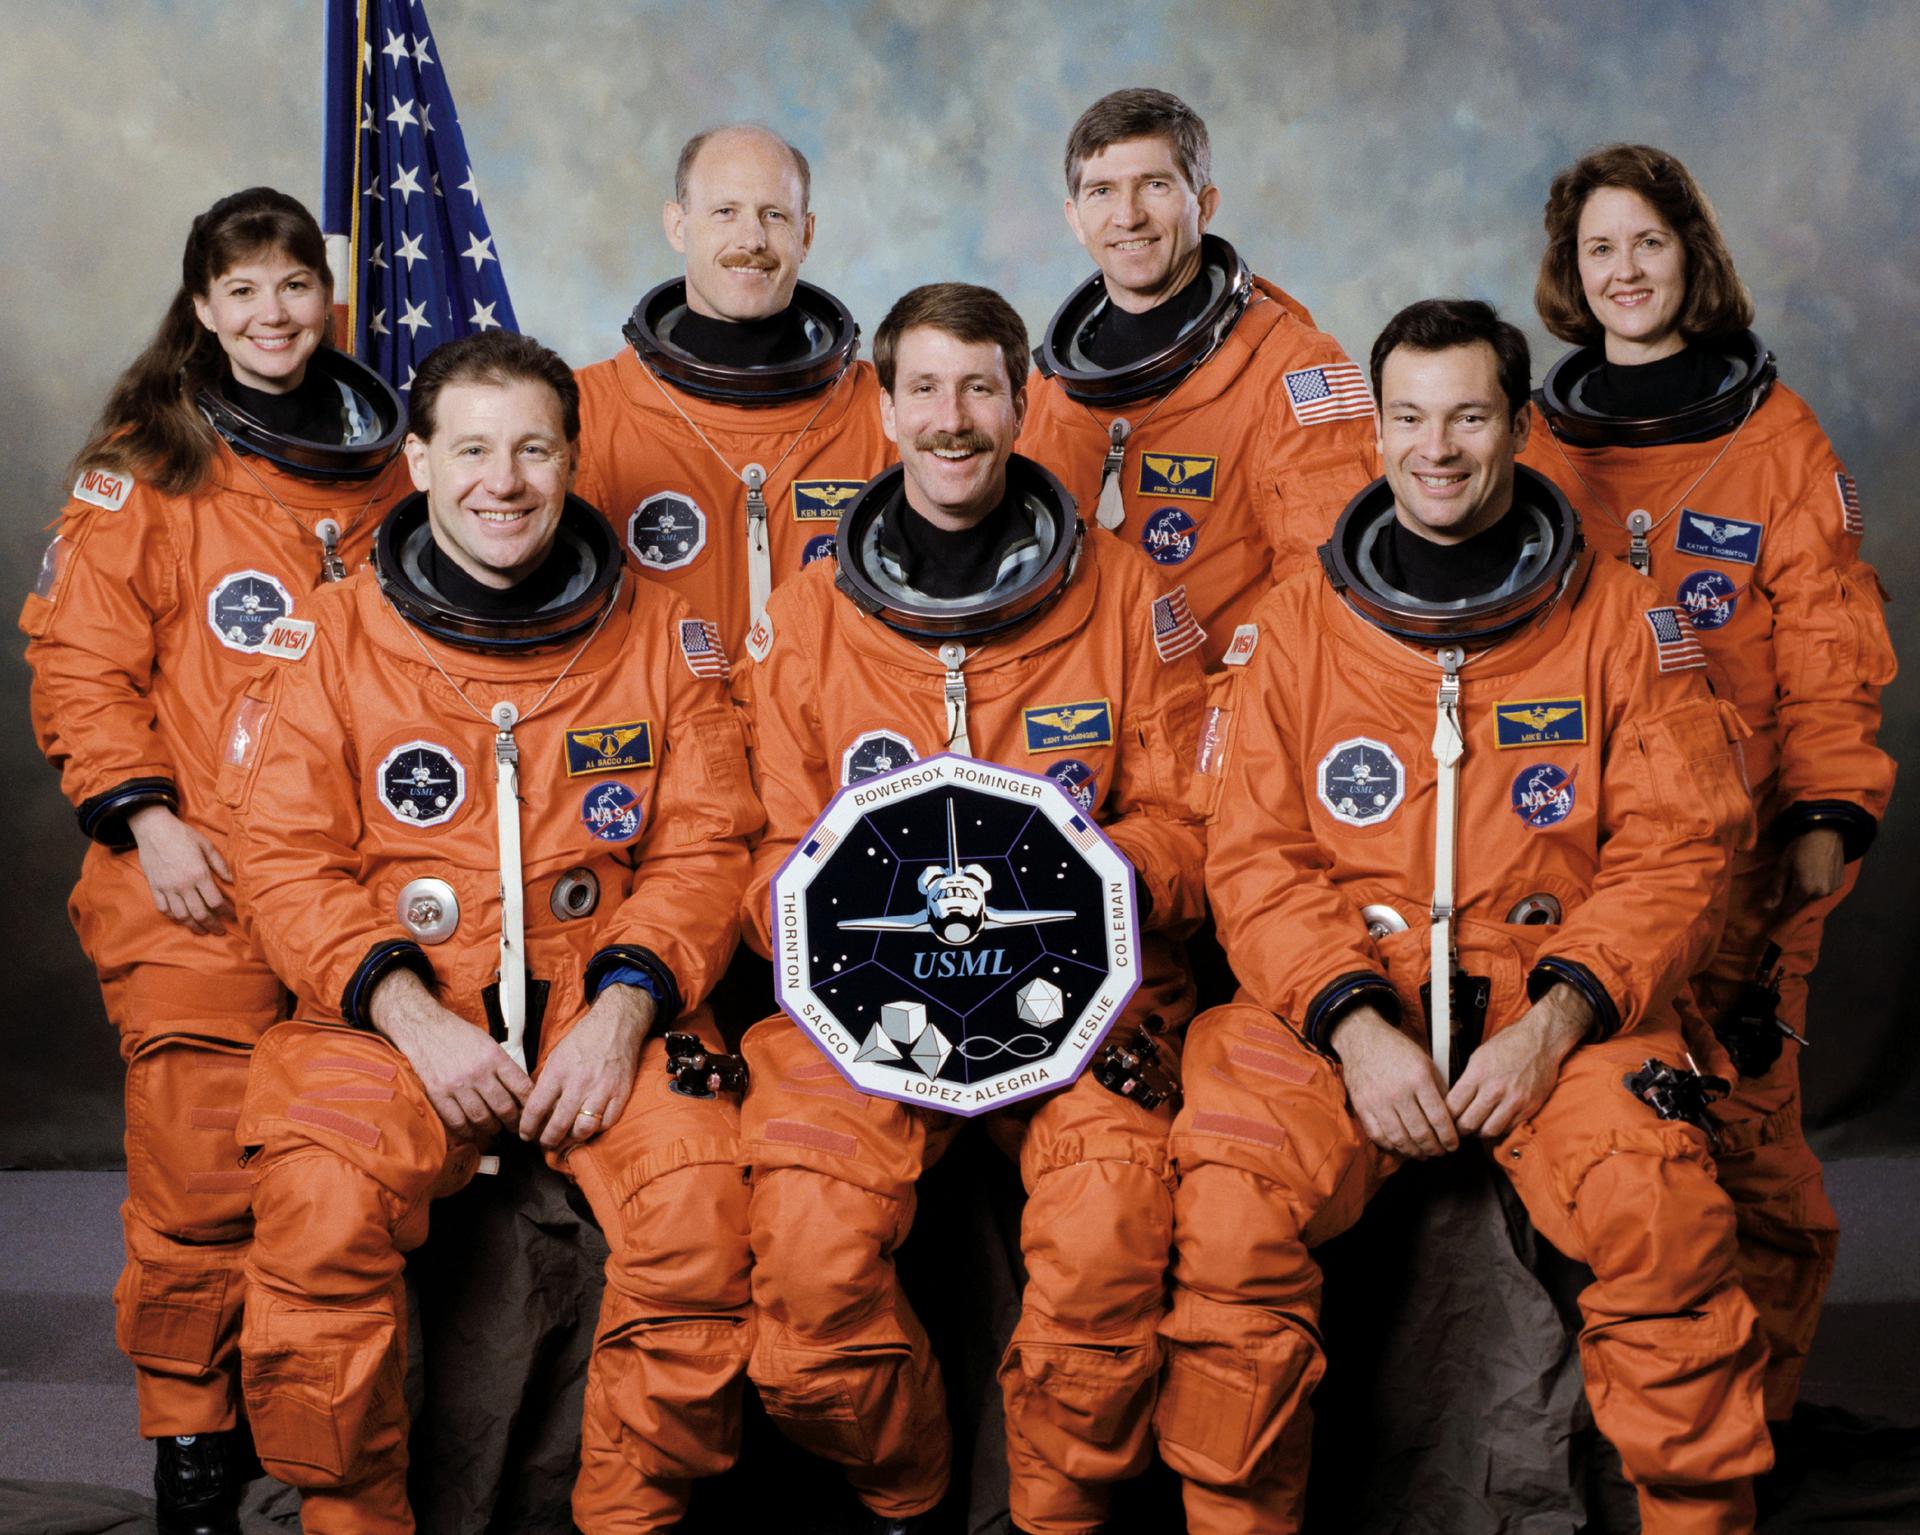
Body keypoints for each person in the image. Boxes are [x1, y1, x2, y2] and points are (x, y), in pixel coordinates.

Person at [1159, 300, 1772, 1534]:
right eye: (1410, 416)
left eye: (1470, 416)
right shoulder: (1294, 628)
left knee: (1661, 1209)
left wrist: (1558, 1020)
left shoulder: (1621, 620)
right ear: (1377, 427)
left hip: (1557, 986)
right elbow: (1254, 854)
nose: (1436, 447)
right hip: (1338, 989)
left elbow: (1678, 852)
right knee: (1227, 1214)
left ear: (1519, 426)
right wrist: (1353, 1024)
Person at [219, 331, 762, 1534]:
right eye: (471, 449)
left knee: (700, 1226)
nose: (502, 481)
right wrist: (414, 1019)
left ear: (574, 459)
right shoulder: (334, 638)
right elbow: (286, 860)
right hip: (396, 1006)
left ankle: (629, 1518)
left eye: (532, 449)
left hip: (603, 995)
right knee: (316, 1217)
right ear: (417, 462)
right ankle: (354, 1518)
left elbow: (705, 849)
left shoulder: (662, 634)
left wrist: (624, 1014)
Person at [734, 283, 1207, 1534]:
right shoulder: (805, 617)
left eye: (982, 388)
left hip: (1083, 1000)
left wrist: (1080, 882)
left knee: (1109, 1239)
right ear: (884, 409)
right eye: (927, 390)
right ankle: (909, 1491)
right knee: (808, 1259)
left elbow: (1193, 819)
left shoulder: (1124, 595)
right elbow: (768, 850)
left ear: (1021, 403)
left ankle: (1057, 1516)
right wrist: (838, 918)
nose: (955, 419)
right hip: (870, 1011)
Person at [21, 187, 408, 1534]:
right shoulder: (149, 464)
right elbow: (80, 663)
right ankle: (192, 1454)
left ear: (330, 294)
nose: (271, 313)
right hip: (189, 879)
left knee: (331, 1174)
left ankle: (301, 1434)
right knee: (198, 1184)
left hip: (345, 880)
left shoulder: (390, 462)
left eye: (294, 283)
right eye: (239, 291)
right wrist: (147, 818)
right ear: (200, 308)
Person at [1520, 144, 1897, 1422]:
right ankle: (1624, 1428)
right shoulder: (1536, 438)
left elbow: (1831, 644)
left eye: (1648, 244)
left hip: (1746, 846)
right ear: (1572, 275)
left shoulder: (1777, 442)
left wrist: (1828, 810)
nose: (1624, 272)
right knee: (1619, 1138)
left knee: (1745, 1135)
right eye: (1598, 251)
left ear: (1694, 256)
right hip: (1585, 853)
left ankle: (1758, 1418)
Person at [1016, 87, 1376, 667]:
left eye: (1154, 185)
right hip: (1074, 719)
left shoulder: (1297, 369)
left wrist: (1227, 726)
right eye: (1102, 191)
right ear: (1075, 219)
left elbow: (1323, 599)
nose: (1127, 215)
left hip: (1220, 717)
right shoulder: (1045, 387)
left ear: (1203, 204)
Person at [573, 123, 895, 658]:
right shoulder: (587, 411)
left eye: (775, 214)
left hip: (825, 734)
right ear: (678, 226)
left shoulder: (885, 411)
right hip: (667, 734)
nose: (752, 240)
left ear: (807, 234)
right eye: (725, 212)